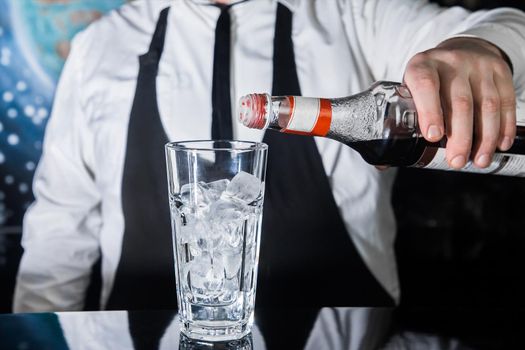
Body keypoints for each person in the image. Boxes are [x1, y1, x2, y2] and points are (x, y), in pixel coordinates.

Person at [13, 0, 525, 312]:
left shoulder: (353, 15)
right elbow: (60, 228)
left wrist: (479, 49)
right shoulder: (100, 45)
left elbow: (505, 21)